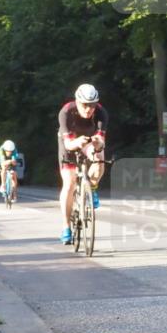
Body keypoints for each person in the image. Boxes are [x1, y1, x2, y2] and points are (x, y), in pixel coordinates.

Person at [58, 84, 108, 244]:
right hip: (70, 143)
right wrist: (76, 142)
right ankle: (66, 227)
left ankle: (92, 188)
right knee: (69, 183)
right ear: (77, 102)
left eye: (92, 105)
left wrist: (98, 143)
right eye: (85, 105)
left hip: (88, 141)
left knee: (99, 157)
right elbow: (68, 145)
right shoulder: (66, 112)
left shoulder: (101, 113)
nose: (88, 109)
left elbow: (101, 144)